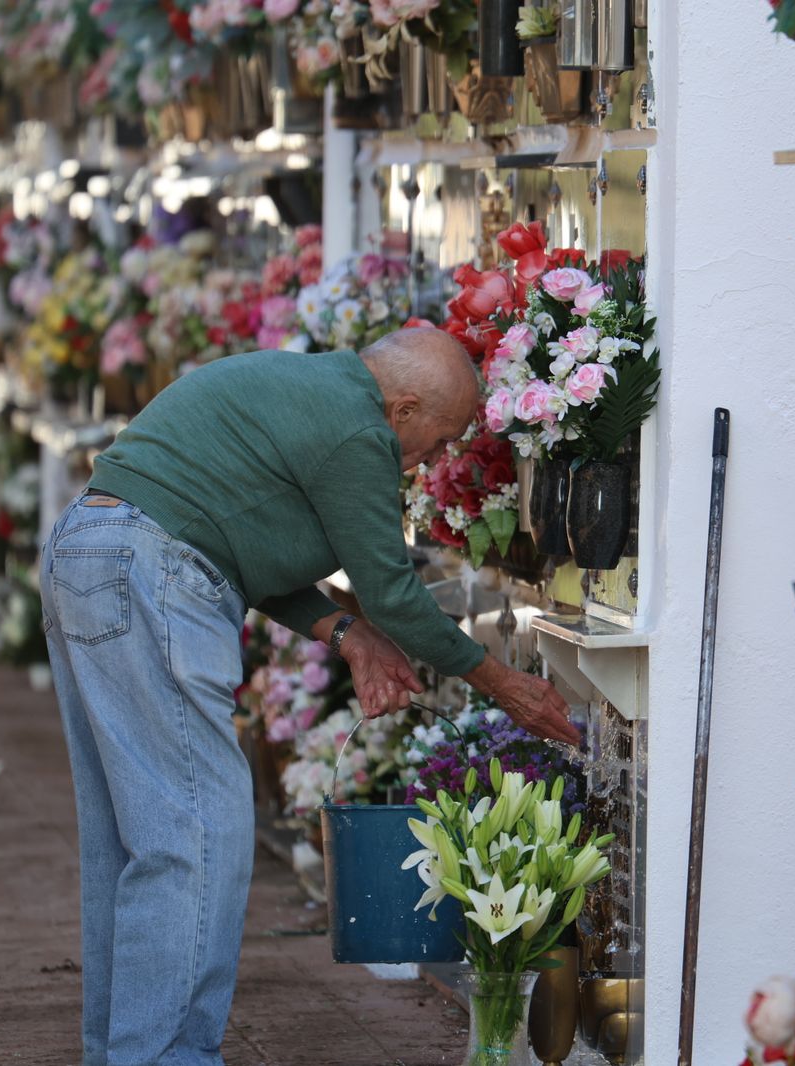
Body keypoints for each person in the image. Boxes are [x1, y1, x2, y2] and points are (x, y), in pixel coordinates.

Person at [38, 329, 578, 1066]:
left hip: (90, 550)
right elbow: (390, 588)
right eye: (437, 439)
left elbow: (239, 544)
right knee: (197, 835)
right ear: (404, 408)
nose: (430, 461)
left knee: (134, 838)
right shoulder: (358, 428)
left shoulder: (312, 390)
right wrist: (504, 683)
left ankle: (123, 1053)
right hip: (149, 571)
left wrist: (348, 635)